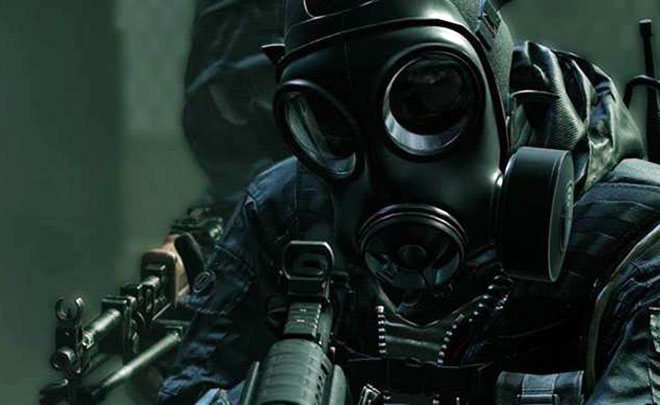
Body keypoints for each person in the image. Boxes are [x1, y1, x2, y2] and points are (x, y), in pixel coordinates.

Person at [159, 0, 660, 403]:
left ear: (494, 74)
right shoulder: (290, 210)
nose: (388, 167)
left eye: (429, 93)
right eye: (330, 117)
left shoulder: (634, 242)